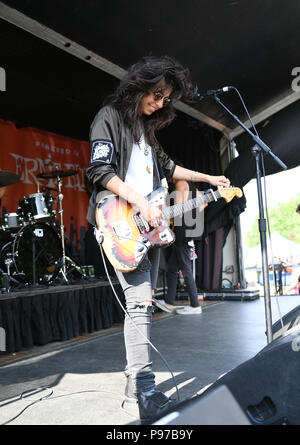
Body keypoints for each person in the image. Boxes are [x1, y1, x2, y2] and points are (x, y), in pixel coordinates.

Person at [86, 55, 230, 423]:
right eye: (158, 94)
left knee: (142, 305)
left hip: (144, 225)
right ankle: (145, 392)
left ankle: (135, 382)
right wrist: (140, 203)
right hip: (118, 218)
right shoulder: (110, 116)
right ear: (141, 84)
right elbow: (100, 171)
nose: (161, 102)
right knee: (138, 303)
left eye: (166, 99)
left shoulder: (146, 132)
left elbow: (172, 168)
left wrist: (209, 179)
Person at [155, 178, 206, 315]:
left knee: (185, 268)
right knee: (172, 268)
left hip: (181, 230)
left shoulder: (180, 183)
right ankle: (169, 302)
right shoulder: (192, 187)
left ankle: (195, 305)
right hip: (189, 229)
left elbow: (178, 210)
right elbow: (204, 204)